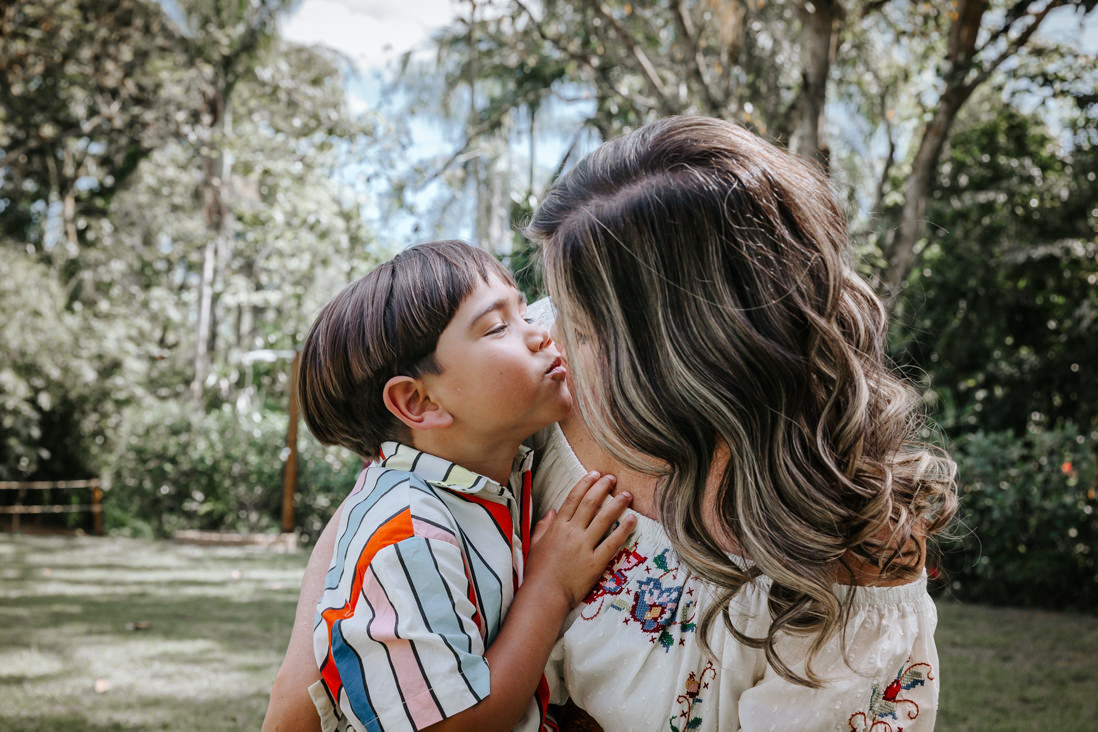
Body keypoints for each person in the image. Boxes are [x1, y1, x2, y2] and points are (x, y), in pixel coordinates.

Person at [266, 117, 957, 731]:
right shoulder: (516, 395)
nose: (548, 335)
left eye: (581, 324)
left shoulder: (849, 549)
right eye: (551, 307)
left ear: (689, 351)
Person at [277, 239, 635, 732]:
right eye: (497, 327)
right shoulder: (407, 537)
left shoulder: (486, 475)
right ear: (419, 402)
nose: (541, 334)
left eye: (525, 312)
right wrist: (550, 587)